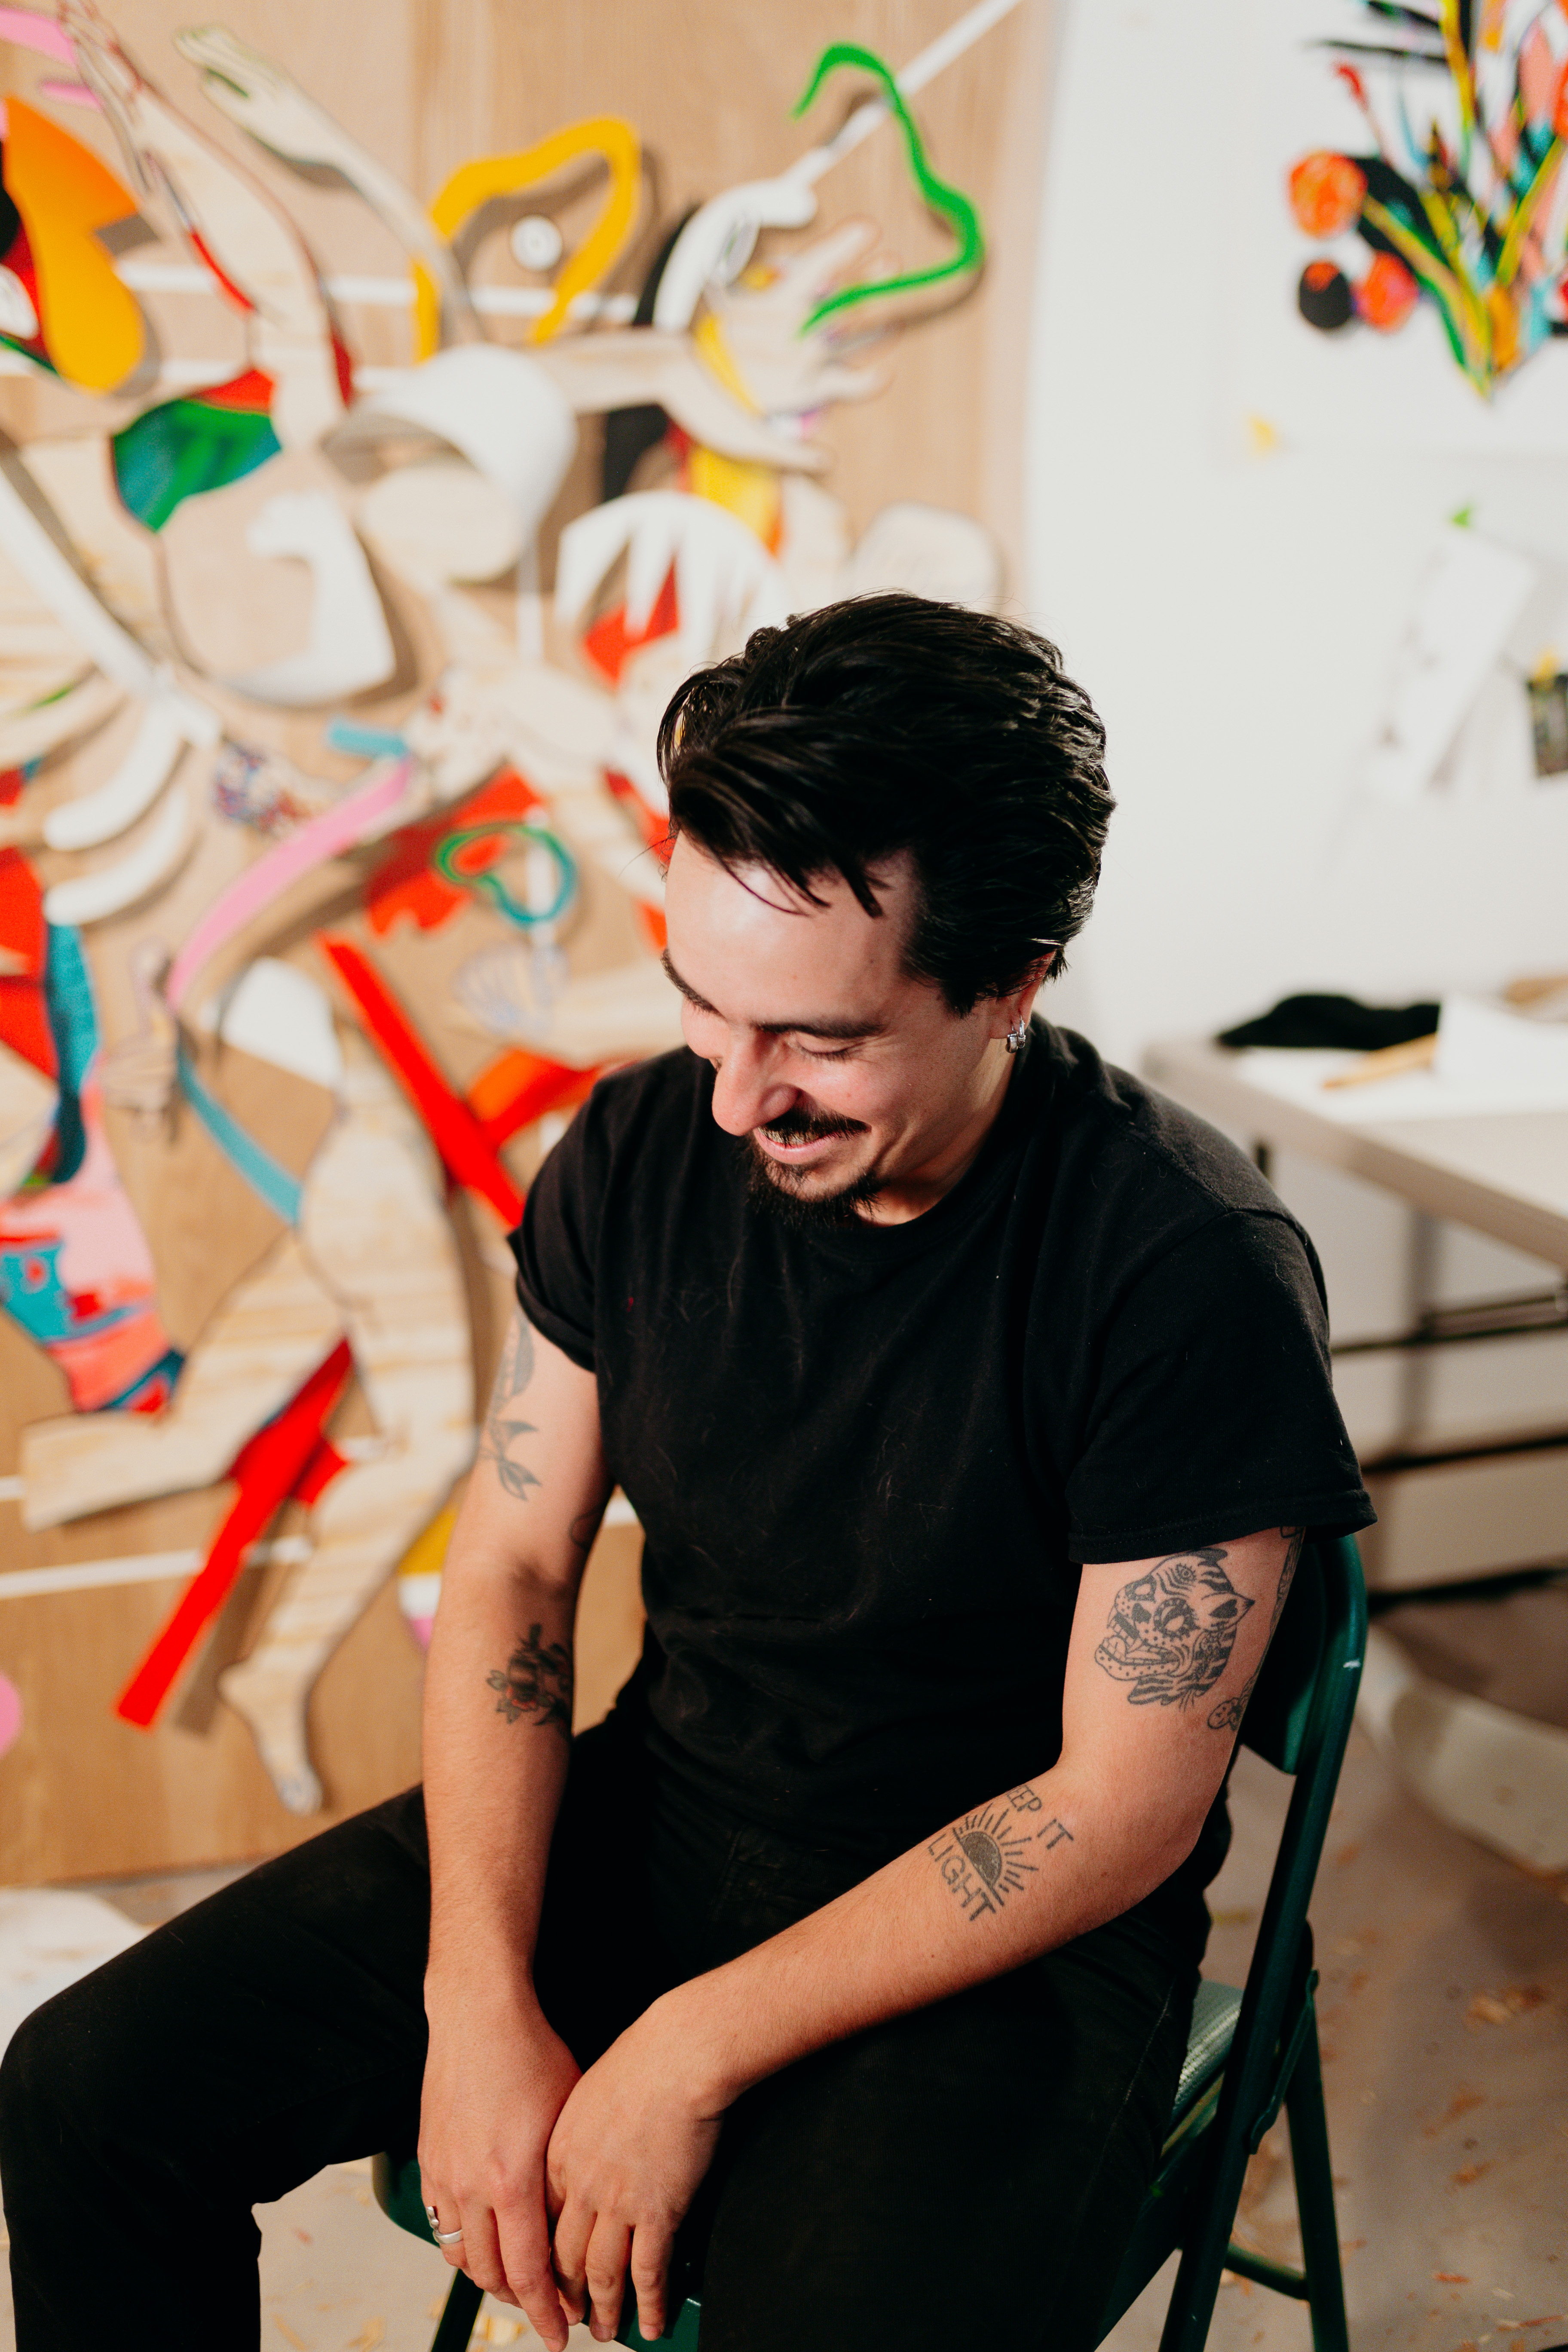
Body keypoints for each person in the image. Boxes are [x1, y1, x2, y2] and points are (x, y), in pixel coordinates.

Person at [0, 594, 1372, 2352]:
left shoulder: (1181, 1268)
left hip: (998, 1941)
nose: (735, 1099)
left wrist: (688, 2045)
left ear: (1014, 980)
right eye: (702, 1009)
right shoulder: (641, 1148)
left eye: (820, 1040)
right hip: (668, 1813)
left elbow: (1121, 1809)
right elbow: (507, 1572)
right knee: (86, 2095)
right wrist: (479, 1999)